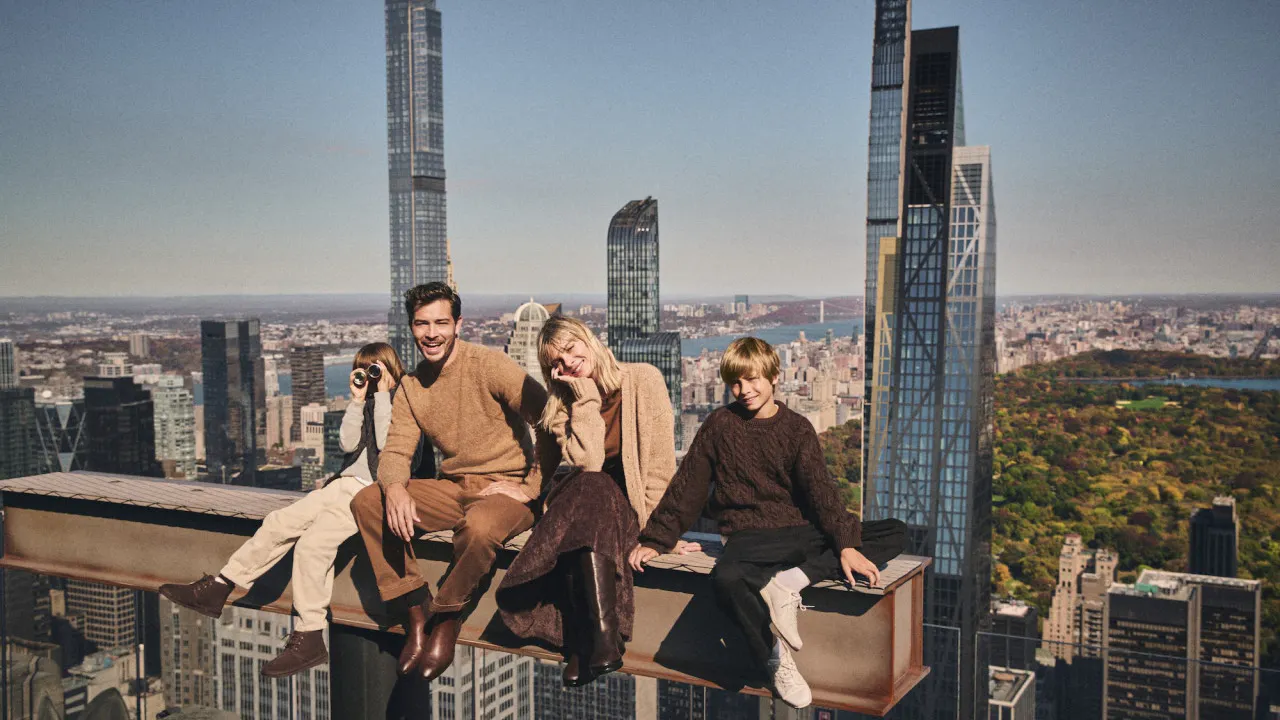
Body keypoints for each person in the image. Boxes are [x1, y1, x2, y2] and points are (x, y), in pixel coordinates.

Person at [628, 337, 907, 709]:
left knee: (896, 531)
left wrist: (847, 545)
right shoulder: (720, 424)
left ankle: (789, 583)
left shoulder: (797, 428)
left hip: (798, 532)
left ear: (775, 376)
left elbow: (821, 492)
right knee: (727, 579)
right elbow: (688, 487)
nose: (744, 390)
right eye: (736, 383)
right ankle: (774, 658)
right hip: (749, 536)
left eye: (753, 379)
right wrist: (657, 538)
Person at [159, 342, 415, 677]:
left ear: (393, 370)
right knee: (279, 522)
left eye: (377, 368)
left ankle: (309, 636)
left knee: (313, 545)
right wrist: (357, 401)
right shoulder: (368, 403)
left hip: (373, 494)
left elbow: (387, 445)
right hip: (343, 485)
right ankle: (221, 586)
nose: (371, 375)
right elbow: (348, 444)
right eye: (365, 368)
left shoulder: (405, 403)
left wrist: (382, 395)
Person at [349, 282, 552, 680]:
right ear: (410, 327)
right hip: (454, 486)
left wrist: (530, 486)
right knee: (367, 502)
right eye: (422, 324)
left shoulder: (489, 365)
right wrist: (393, 489)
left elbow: (550, 417)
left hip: (505, 488)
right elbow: (396, 452)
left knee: (478, 529)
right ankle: (415, 608)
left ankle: (446, 617)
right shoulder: (411, 386)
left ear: (458, 324)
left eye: (441, 322)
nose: (431, 333)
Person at [495, 317, 698, 687]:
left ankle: (580, 640)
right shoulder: (560, 408)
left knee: (597, 498)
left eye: (571, 350)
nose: (567, 364)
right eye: (556, 362)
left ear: (589, 342)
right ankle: (603, 636)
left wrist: (660, 534)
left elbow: (660, 468)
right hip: (578, 500)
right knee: (593, 486)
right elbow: (588, 463)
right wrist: (585, 398)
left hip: (625, 512)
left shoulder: (643, 380)